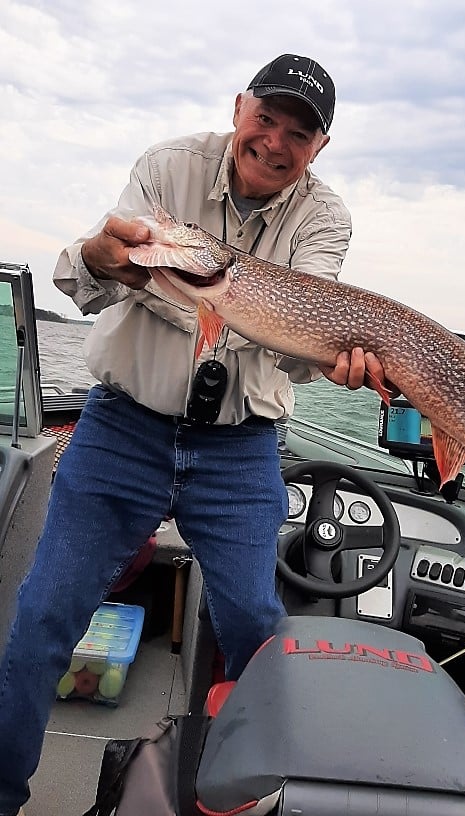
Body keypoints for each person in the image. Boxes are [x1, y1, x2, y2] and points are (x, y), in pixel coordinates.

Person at [0, 54, 388, 816]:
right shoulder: (167, 167)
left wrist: (334, 360)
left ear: (319, 148)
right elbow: (84, 274)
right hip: (123, 427)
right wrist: (103, 258)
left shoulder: (325, 217)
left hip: (239, 448)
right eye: (265, 118)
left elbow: (297, 335)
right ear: (239, 107)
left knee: (255, 625)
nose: (275, 141)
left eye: (298, 133)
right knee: (45, 615)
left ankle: (239, 792)